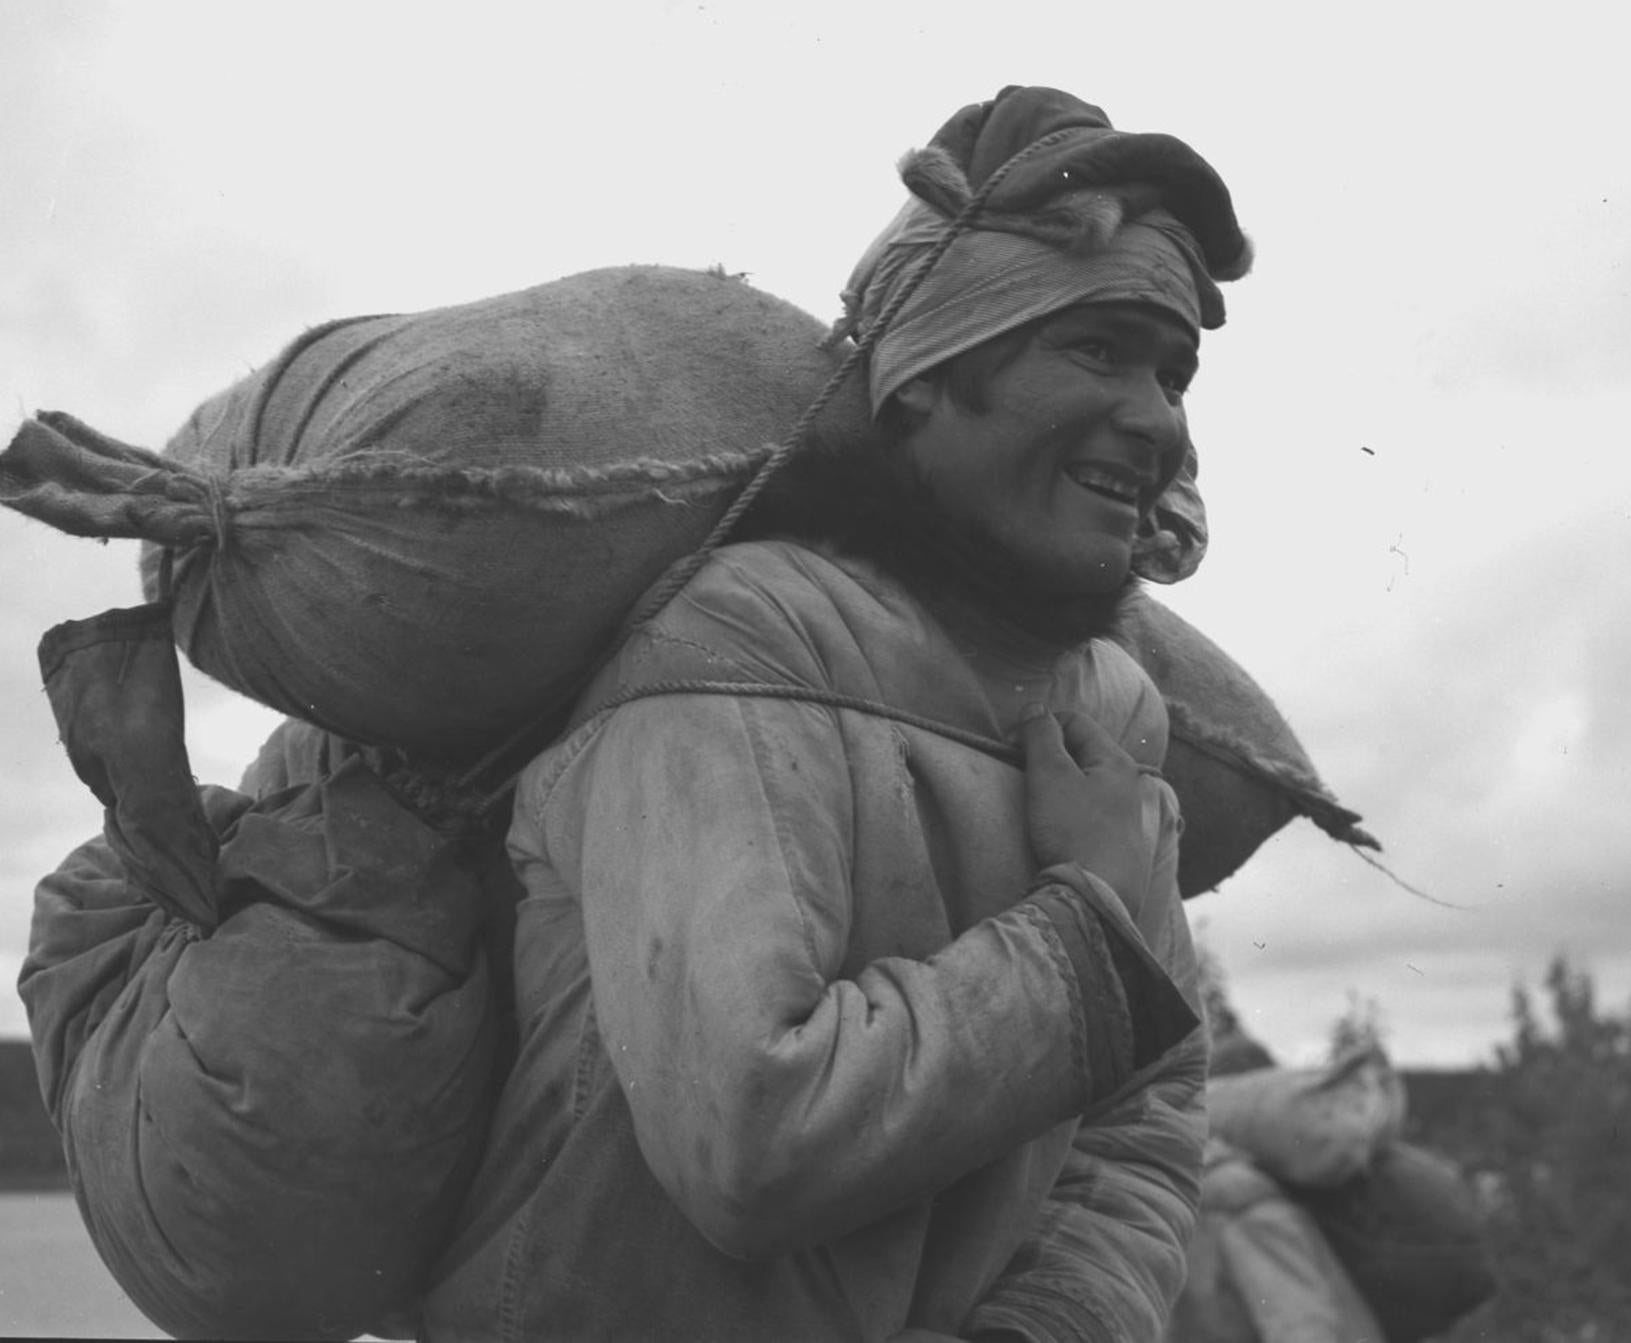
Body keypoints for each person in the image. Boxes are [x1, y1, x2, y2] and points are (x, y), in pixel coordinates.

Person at [422, 85, 1255, 1342]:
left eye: (1171, 369)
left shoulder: (1110, 707)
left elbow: (1141, 1118)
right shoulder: (745, 636)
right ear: (925, 377)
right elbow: (752, 1135)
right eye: (1094, 348)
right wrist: (1088, 928)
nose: (1156, 419)